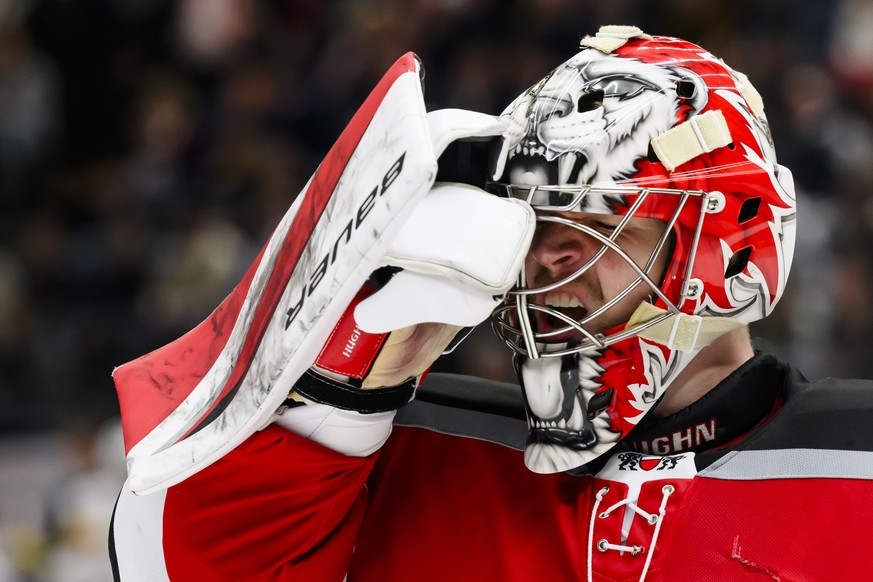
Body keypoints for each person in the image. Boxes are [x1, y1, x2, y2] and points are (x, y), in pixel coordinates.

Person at [109, 26, 873, 581]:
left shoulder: (853, 463)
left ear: (736, 248)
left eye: (597, 228)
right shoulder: (405, 449)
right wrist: (335, 383)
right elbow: (168, 561)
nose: (544, 261)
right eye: (533, 227)